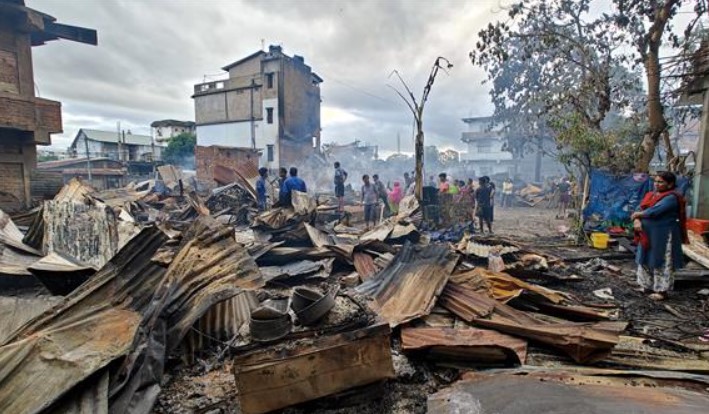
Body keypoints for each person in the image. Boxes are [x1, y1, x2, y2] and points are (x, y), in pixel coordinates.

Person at [631, 171, 688, 301]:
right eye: (655, 181)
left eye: (660, 182)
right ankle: (646, 286)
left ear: (670, 184)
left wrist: (638, 215)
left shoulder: (672, 197)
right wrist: (637, 220)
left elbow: (654, 211)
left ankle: (662, 291)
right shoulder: (651, 195)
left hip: (663, 234)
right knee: (645, 258)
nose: (656, 184)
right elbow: (639, 209)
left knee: (661, 260)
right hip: (648, 233)